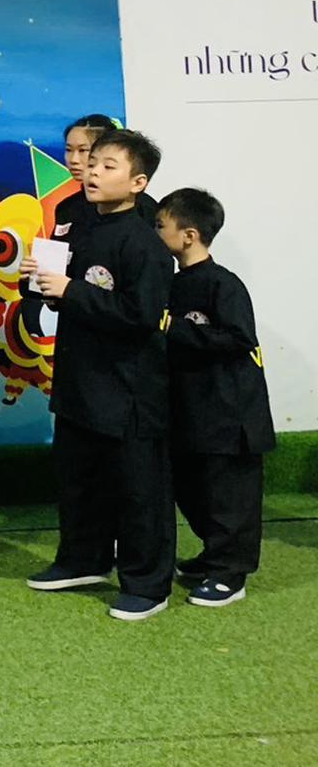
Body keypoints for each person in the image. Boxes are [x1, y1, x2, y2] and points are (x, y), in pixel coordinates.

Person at [22, 129, 176, 621]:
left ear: (138, 183)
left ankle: (148, 585)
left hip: (129, 389)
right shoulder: (82, 226)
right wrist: (44, 283)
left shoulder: (146, 244)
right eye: (93, 163)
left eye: (108, 166)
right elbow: (74, 295)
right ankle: (82, 560)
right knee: (78, 479)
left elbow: (141, 316)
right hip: (78, 380)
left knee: (138, 491)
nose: (92, 171)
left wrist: (71, 290)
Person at [155, 187, 275, 607]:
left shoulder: (223, 284)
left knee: (229, 497)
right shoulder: (172, 283)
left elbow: (239, 338)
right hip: (191, 411)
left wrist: (174, 328)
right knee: (193, 491)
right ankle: (214, 555)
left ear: (188, 235)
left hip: (231, 414)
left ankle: (230, 573)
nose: (155, 233)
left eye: (160, 226)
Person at [53, 114, 158, 242]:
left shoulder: (144, 208)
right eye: (69, 150)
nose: (73, 160)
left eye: (83, 150)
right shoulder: (67, 207)